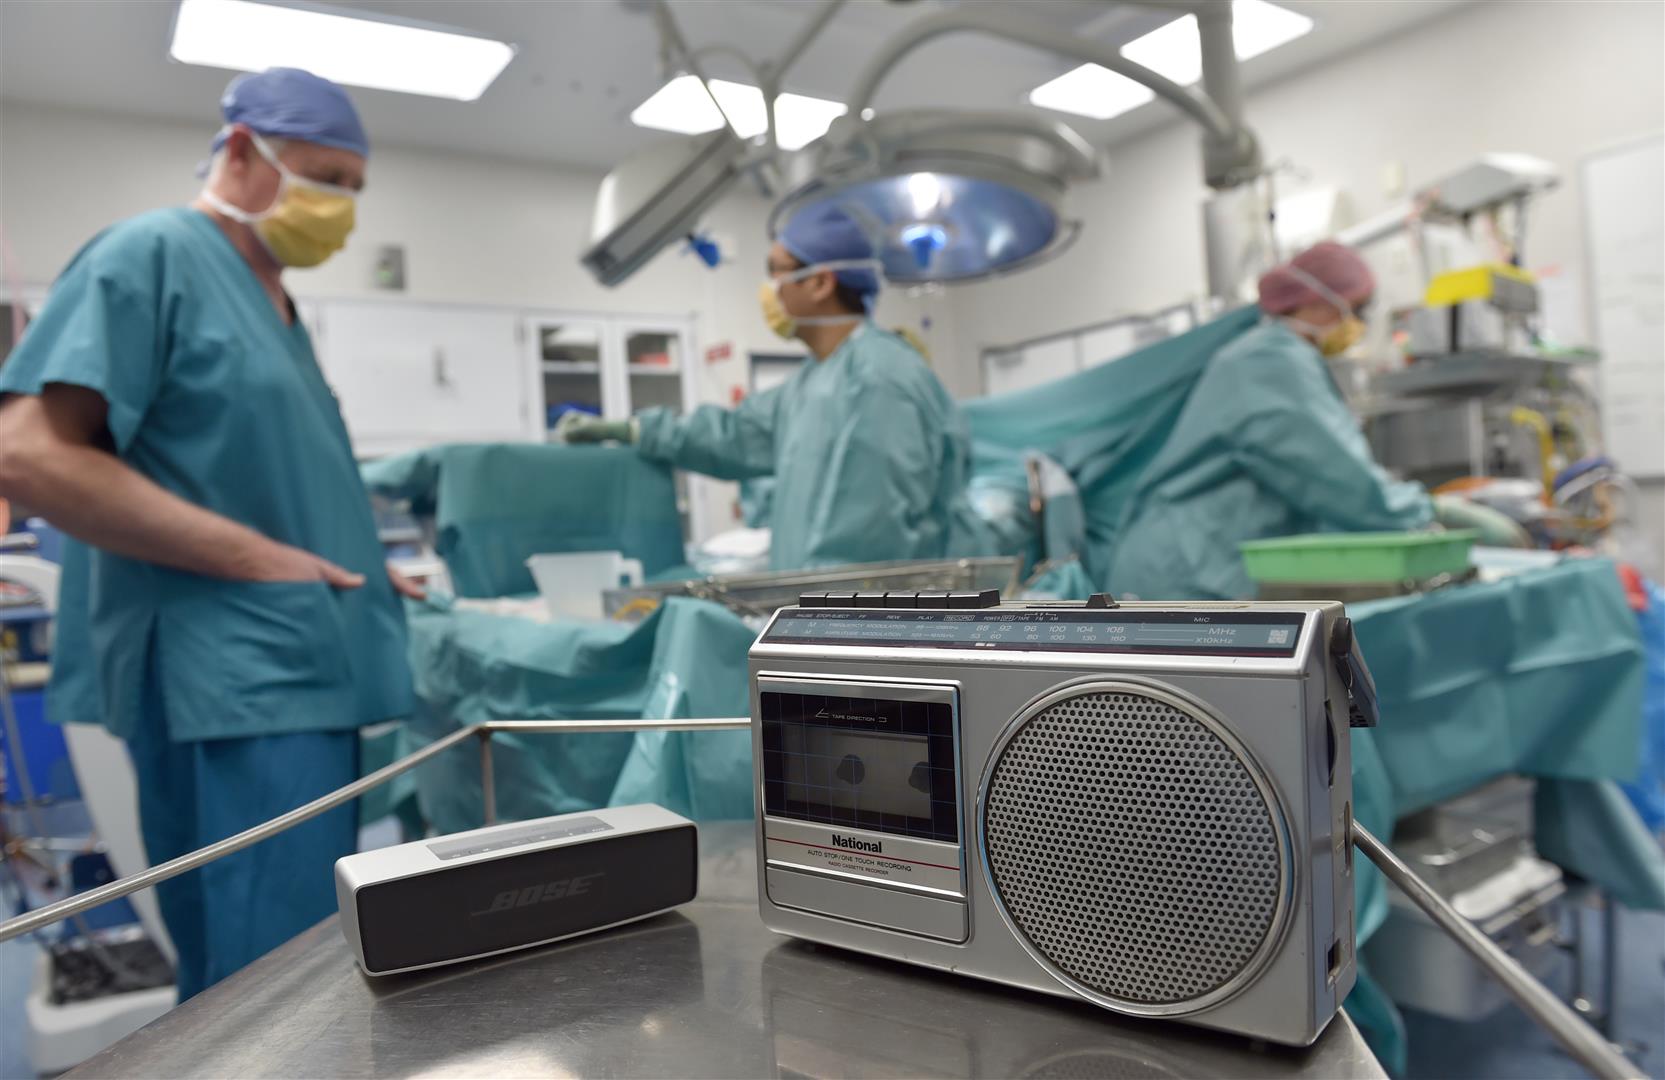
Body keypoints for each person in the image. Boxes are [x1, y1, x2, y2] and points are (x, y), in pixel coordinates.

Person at [0, 68, 418, 999]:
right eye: (323, 177)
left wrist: (369, 571)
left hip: (293, 666)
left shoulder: (274, 302)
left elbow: (257, 478)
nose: (339, 207)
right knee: (270, 990)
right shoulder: (152, 253)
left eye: (353, 188)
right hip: (235, 681)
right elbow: (29, 456)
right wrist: (261, 561)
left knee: (293, 964)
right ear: (239, 150)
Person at [560, 206, 987, 570]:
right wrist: (633, 430)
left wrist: (810, 633)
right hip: (825, 618)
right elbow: (732, 435)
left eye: (777, 273)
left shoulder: (876, 379)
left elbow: (864, 548)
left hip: (862, 630)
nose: (769, 292)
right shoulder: (812, 381)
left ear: (820, 283)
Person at [1106, 241, 1446, 600]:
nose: (1358, 324)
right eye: (1356, 309)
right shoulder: (1269, 362)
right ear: (1316, 301)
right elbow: (1336, 477)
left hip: (1195, 560)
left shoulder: (1272, 356)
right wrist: (1427, 511)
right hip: (1184, 570)